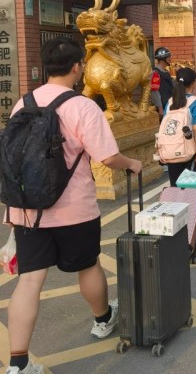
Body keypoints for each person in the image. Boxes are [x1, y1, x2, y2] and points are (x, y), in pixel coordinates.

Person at [4, 37, 143, 374]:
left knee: (29, 281)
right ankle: (102, 319)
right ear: (78, 67)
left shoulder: (22, 104)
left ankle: (18, 365)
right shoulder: (83, 106)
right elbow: (107, 157)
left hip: (28, 211)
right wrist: (132, 164)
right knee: (88, 266)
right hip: (73, 209)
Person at [164, 67, 196, 187]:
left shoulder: (170, 103)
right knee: (194, 190)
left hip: (172, 152)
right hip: (191, 152)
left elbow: (165, 128)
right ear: (193, 82)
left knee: (176, 188)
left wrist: (161, 151)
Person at [150, 46, 174, 120]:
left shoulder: (166, 72)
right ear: (163, 59)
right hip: (163, 108)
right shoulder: (156, 73)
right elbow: (155, 92)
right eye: (169, 57)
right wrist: (160, 109)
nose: (170, 59)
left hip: (169, 106)